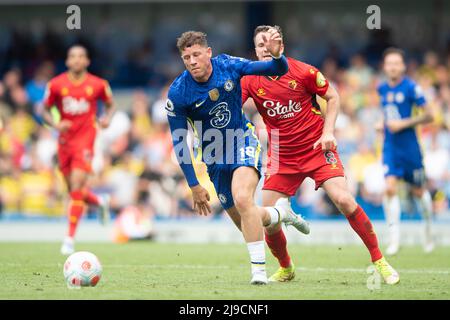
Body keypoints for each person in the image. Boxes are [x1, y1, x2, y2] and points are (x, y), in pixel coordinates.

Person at [241, 25, 399, 285]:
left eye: (270, 42)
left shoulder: (303, 71)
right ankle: (286, 268)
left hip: (316, 146)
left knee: (345, 201)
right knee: (268, 219)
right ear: (256, 51)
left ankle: (379, 260)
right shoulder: (249, 79)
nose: (265, 48)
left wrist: (328, 132)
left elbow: (333, 96)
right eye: (260, 45)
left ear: (280, 45)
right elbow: (233, 104)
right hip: (281, 152)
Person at [166, 30, 309, 285]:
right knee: (246, 217)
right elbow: (179, 142)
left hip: (241, 139)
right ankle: (279, 214)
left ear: (208, 53)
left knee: (244, 199)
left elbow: (274, 67)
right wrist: (194, 184)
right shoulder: (178, 93)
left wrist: (278, 55)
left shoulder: (228, 65)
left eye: (196, 54)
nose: (192, 61)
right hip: (212, 156)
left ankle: (258, 273)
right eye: (186, 57)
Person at [42, 45, 115, 255]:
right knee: (73, 191)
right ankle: (99, 201)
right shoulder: (56, 85)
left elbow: (110, 105)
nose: (76, 60)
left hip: (86, 140)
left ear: (87, 61)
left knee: (76, 185)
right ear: (67, 61)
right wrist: (55, 125)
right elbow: (45, 109)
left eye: (81, 56)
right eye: (72, 56)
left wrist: (107, 118)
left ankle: (69, 239)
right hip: (65, 142)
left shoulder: (98, 84)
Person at [378, 47, 435, 255]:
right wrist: (381, 123)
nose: (392, 67)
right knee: (390, 188)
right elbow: (387, 115)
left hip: (411, 148)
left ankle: (428, 231)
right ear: (385, 67)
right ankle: (394, 239)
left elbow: (430, 115)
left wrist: (403, 124)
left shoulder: (412, 88)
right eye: (389, 63)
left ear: (402, 66)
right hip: (390, 147)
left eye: (396, 63)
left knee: (419, 192)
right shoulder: (382, 89)